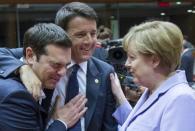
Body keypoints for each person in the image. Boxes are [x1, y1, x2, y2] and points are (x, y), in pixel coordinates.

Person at [0, 2, 117, 131]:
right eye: (80, 34)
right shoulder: (40, 53)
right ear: (62, 33)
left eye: (93, 34)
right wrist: (22, 68)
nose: (89, 41)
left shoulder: (105, 72)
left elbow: (108, 125)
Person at [109, 21, 195, 131]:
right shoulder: (152, 91)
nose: (126, 64)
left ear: (154, 60)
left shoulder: (181, 98)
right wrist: (119, 96)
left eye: (132, 57)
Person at [0, 23, 87, 130]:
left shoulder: (39, 66)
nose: (63, 72)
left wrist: (22, 67)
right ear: (30, 56)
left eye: (66, 65)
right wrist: (61, 123)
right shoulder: (16, 96)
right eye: (56, 65)